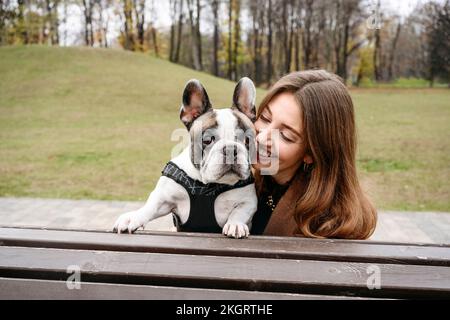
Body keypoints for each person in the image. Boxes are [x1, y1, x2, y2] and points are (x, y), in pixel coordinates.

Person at [251, 70, 377, 239]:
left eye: (285, 135)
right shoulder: (248, 180)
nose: (260, 137)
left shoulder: (326, 226)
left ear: (312, 152)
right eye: (265, 118)